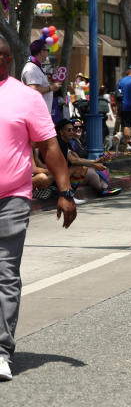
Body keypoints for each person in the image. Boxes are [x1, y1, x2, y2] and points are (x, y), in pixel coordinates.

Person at [0, 34, 75, 380]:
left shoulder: (26, 98)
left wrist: (66, 191)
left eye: (0, 56)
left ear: (9, 61)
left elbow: (50, 147)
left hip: (12, 196)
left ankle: (1, 350)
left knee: (5, 273)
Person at [50, 119, 119, 197]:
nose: (72, 132)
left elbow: (77, 158)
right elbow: (74, 160)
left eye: (73, 129)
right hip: (57, 175)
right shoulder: (60, 143)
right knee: (84, 170)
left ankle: (105, 189)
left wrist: (95, 162)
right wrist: (93, 163)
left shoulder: (68, 142)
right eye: (69, 130)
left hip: (65, 173)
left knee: (88, 168)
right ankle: (70, 195)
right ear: (61, 132)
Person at [20, 39, 60, 117]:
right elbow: (34, 90)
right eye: (47, 50)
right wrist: (51, 87)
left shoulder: (38, 66)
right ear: (41, 52)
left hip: (41, 113)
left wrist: (50, 82)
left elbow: (40, 85)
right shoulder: (31, 68)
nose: (48, 53)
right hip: (36, 114)